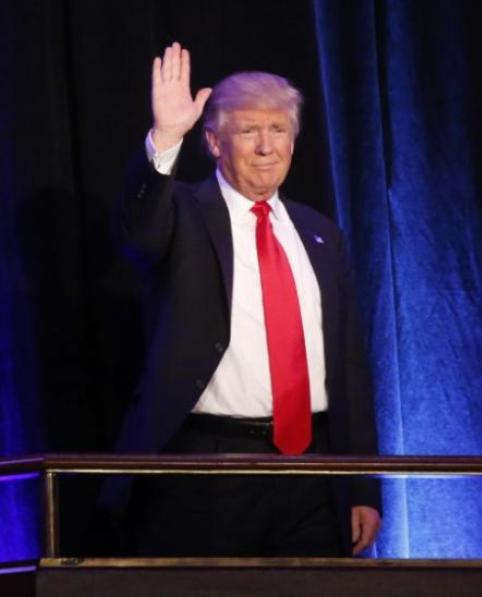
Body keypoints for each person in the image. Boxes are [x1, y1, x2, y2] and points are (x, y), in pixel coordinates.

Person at [106, 42, 381, 557]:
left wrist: (363, 484)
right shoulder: (183, 212)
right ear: (213, 142)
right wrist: (165, 138)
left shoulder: (321, 233)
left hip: (313, 472)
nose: (265, 146)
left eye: (278, 130)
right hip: (211, 470)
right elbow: (138, 234)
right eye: (248, 130)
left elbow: (348, 366)